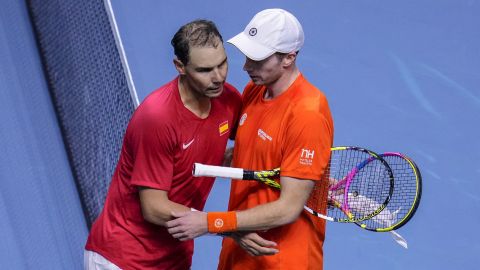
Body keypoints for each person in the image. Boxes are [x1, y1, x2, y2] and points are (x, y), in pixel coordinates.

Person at [166, 8, 334, 270]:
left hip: (282, 260)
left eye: (257, 59)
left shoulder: (307, 113)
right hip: (239, 254)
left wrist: (211, 222)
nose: (246, 66)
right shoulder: (254, 91)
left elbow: (288, 208)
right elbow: (249, 151)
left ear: (288, 58)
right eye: (247, 55)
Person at [84, 19, 242, 270]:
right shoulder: (157, 118)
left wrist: (304, 176)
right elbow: (154, 208)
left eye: (222, 64)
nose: (218, 77)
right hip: (123, 259)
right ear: (180, 66)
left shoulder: (229, 99)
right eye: (204, 70)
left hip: (173, 259)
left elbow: (247, 147)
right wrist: (226, 225)